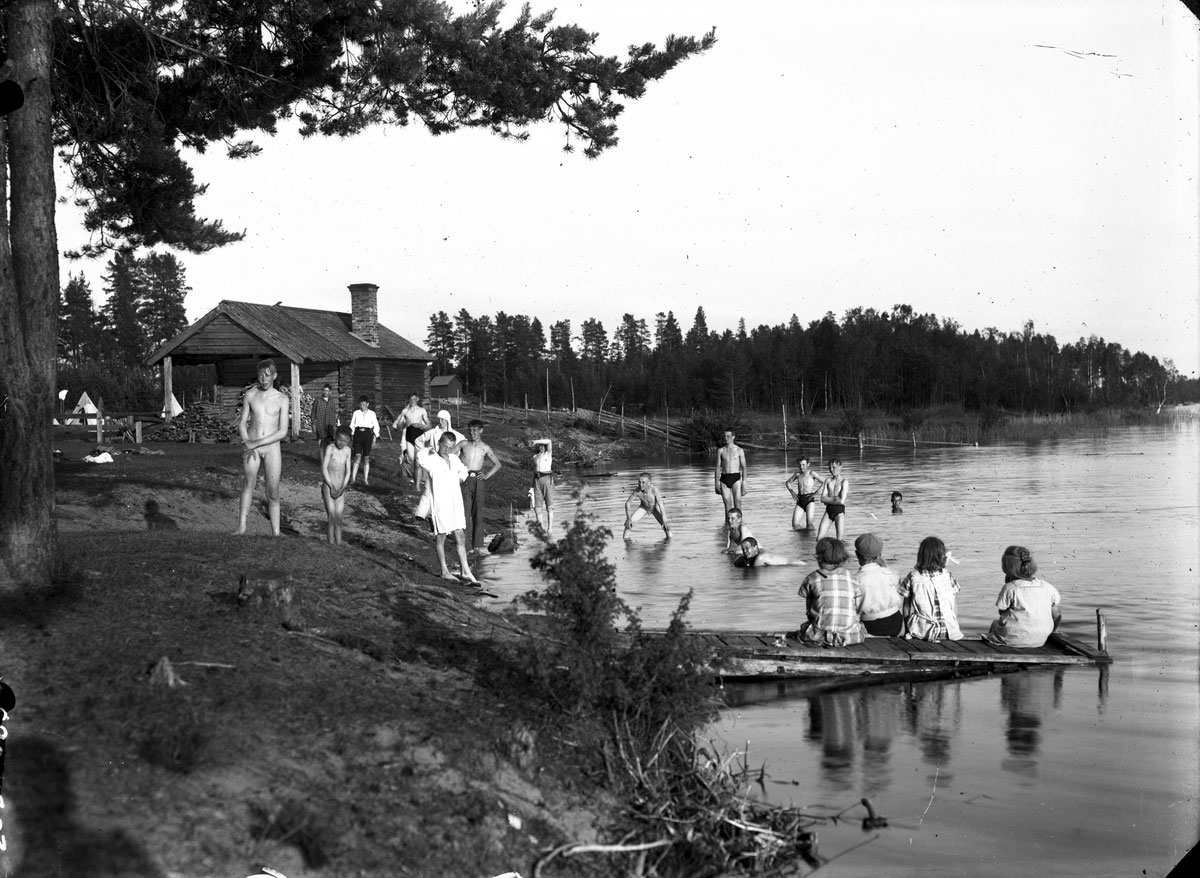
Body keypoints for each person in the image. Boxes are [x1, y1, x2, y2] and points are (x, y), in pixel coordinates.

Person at [233, 358, 291, 536]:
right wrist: (247, 442)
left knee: (273, 491)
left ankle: (276, 531)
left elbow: (282, 432)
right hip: (252, 448)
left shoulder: (282, 399)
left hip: (272, 449)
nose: (263, 379)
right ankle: (242, 527)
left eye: (267, 376)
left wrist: (255, 443)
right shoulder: (251, 395)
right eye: (260, 376)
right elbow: (242, 423)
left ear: (274, 376)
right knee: (249, 483)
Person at [416, 432, 478, 583]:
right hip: (440, 503)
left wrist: (461, 477)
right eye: (445, 446)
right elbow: (420, 455)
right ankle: (444, 570)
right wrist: (431, 449)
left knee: (460, 535)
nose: (447, 450)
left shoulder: (454, 459)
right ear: (439, 443)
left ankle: (465, 571)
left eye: (450, 447)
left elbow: (463, 470)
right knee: (441, 536)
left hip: (455, 502)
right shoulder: (431, 459)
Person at [983, 546, 1062, 647]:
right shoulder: (1047, 586)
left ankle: (993, 647)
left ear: (1007, 567)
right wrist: (1053, 631)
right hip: (1040, 640)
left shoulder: (1010, 587)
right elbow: (1057, 615)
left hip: (1012, 638)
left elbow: (1002, 612)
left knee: (995, 624)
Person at [795, 537, 865, 645]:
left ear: (818, 558)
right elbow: (857, 606)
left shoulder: (812, 578)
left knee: (804, 629)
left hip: (820, 635)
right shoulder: (851, 578)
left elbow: (809, 611)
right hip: (850, 636)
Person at [899, 536, 964, 641]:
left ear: (921, 556)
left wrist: (907, 630)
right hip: (949, 631)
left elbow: (906, 607)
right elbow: (953, 605)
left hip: (923, 632)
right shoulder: (948, 576)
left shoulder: (913, 577)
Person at [455, 419, 502, 553]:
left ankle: (477, 546)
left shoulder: (485, 447)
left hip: (478, 480)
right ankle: (465, 546)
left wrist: (486, 475)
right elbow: (449, 453)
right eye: (470, 430)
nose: (472, 432)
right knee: (464, 512)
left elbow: (497, 464)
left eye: (475, 430)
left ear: (481, 430)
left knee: (478, 513)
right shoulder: (464, 444)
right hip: (464, 478)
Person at [854, 532, 903, 636]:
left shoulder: (856, 579)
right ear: (879, 556)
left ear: (857, 554)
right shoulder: (889, 573)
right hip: (895, 621)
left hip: (870, 624)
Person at [320, 425, 352, 545]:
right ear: (335, 436)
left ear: (348, 441)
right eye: (340, 439)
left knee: (339, 519)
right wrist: (331, 486)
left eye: (345, 441)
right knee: (331, 517)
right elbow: (324, 469)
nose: (341, 443)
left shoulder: (347, 451)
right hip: (329, 487)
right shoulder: (330, 448)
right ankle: (330, 544)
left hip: (340, 489)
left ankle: (338, 545)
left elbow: (348, 471)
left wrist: (342, 488)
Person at [391, 393, 430, 482]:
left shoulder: (421, 412)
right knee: (406, 457)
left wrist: (420, 426)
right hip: (406, 437)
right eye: (410, 400)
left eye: (414, 399)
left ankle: (417, 478)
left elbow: (426, 427)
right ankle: (404, 475)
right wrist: (405, 424)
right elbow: (395, 425)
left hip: (418, 438)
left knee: (418, 459)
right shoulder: (405, 412)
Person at [624, 472, 671, 539]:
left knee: (666, 527)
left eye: (643, 482)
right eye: (639, 482)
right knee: (628, 525)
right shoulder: (637, 491)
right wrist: (628, 519)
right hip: (643, 507)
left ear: (649, 483)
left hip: (654, 508)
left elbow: (661, 504)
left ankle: (669, 541)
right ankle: (626, 542)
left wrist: (665, 520)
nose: (640, 485)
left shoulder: (654, 490)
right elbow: (627, 503)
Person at [348, 396, 380, 487]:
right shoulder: (356, 413)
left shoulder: (372, 414)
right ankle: (353, 478)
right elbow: (352, 425)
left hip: (368, 435)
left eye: (364, 403)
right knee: (357, 456)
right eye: (361, 403)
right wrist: (352, 435)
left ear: (367, 404)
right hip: (358, 434)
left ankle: (365, 479)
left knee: (366, 457)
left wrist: (375, 436)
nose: (362, 405)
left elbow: (376, 426)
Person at [784, 455, 822, 530]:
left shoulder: (812, 473)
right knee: (795, 525)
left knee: (809, 524)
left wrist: (816, 493)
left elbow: (824, 483)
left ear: (808, 464)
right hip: (800, 500)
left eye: (803, 464)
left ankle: (810, 540)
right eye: (800, 465)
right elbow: (788, 482)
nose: (801, 467)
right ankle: (802, 538)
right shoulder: (797, 474)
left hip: (809, 500)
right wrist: (792, 492)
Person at [715, 429, 747, 515]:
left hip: (735, 477)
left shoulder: (739, 450)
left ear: (733, 437)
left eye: (728, 436)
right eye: (725, 436)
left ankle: (739, 526)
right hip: (724, 478)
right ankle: (727, 526)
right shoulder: (721, 451)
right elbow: (718, 467)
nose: (726, 438)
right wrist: (716, 484)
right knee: (727, 506)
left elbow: (744, 467)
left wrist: (744, 484)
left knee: (738, 505)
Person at [816, 459, 848, 540]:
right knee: (819, 539)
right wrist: (834, 498)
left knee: (839, 540)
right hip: (828, 511)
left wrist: (828, 499)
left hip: (839, 512)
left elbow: (842, 501)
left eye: (833, 467)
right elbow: (822, 499)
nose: (831, 470)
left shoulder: (844, 482)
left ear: (840, 467)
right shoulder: (828, 480)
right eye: (829, 467)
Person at [734, 536, 803, 568]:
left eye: (747, 548)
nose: (745, 551)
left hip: (797, 565)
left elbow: (754, 570)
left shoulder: (761, 557)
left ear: (755, 548)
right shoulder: (757, 552)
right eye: (743, 549)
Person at [532, 438, 554, 532]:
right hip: (537, 480)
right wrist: (531, 486)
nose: (541, 447)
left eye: (543, 445)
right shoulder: (535, 456)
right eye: (540, 446)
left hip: (547, 479)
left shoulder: (548, 454)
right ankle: (541, 530)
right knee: (537, 508)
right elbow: (534, 471)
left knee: (549, 507)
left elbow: (549, 441)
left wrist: (536, 441)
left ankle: (550, 529)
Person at [310, 383, 339, 448]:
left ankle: (328, 457)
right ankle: (321, 458)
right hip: (321, 424)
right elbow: (313, 413)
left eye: (327, 391)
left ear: (330, 392)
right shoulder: (318, 400)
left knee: (329, 442)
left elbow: (334, 413)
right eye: (324, 390)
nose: (325, 392)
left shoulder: (332, 401)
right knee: (321, 442)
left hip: (330, 425)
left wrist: (334, 425)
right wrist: (313, 424)